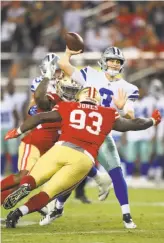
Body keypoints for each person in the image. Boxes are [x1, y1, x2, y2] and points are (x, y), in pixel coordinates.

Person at [3, 87, 161, 228]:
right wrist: (153, 120)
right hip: (83, 159)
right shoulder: (107, 113)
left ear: (80, 97)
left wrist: (18, 131)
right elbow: (134, 124)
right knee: (49, 193)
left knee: (33, 178)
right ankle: (17, 213)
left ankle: (27, 186)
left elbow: (40, 117)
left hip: (61, 149)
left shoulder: (68, 106)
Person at [56, 45, 141, 229]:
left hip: (103, 135)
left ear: (122, 65)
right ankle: (58, 206)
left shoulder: (128, 87)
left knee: (117, 173)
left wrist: (121, 107)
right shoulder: (89, 74)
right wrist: (69, 53)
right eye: (111, 60)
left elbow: (130, 114)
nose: (114, 64)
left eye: (117, 62)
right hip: (83, 133)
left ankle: (126, 215)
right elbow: (64, 64)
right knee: (74, 173)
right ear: (103, 61)